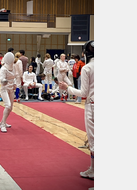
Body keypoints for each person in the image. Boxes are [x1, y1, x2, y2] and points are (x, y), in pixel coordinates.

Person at [59, 40, 94, 179]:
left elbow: (84, 93)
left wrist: (67, 88)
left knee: (93, 140)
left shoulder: (87, 68)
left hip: (93, 106)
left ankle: (94, 171)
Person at [0, 52, 16, 133]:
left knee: (11, 108)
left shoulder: (14, 67)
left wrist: (15, 83)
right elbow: (2, 80)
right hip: (4, 89)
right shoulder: (3, 69)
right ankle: (2, 125)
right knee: (8, 105)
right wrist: (4, 81)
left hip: (11, 89)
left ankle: (3, 122)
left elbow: (14, 77)